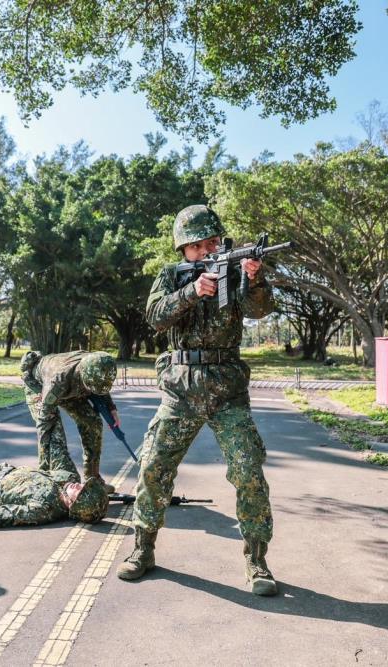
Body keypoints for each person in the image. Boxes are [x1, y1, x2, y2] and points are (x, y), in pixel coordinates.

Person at [117, 205, 279, 596]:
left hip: (227, 389)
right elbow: (155, 316)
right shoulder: (170, 276)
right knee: (155, 465)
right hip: (181, 388)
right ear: (185, 248)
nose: (210, 248)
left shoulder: (238, 272)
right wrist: (192, 292)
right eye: (202, 244)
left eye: (214, 242)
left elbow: (259, 310)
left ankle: (256, 561)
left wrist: (255, 279)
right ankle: (143, 548)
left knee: (248, 469)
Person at [20, 350, 119, 490]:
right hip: (38, 386)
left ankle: (93, 479)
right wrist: (43, 467)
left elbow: (100, 383)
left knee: (93, 423)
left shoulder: (97, 363)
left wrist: (112, 408)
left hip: (73, 387)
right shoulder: (58, 381)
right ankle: (49, 481)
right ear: (83, 375)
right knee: (55, 432)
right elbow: (44, 424)